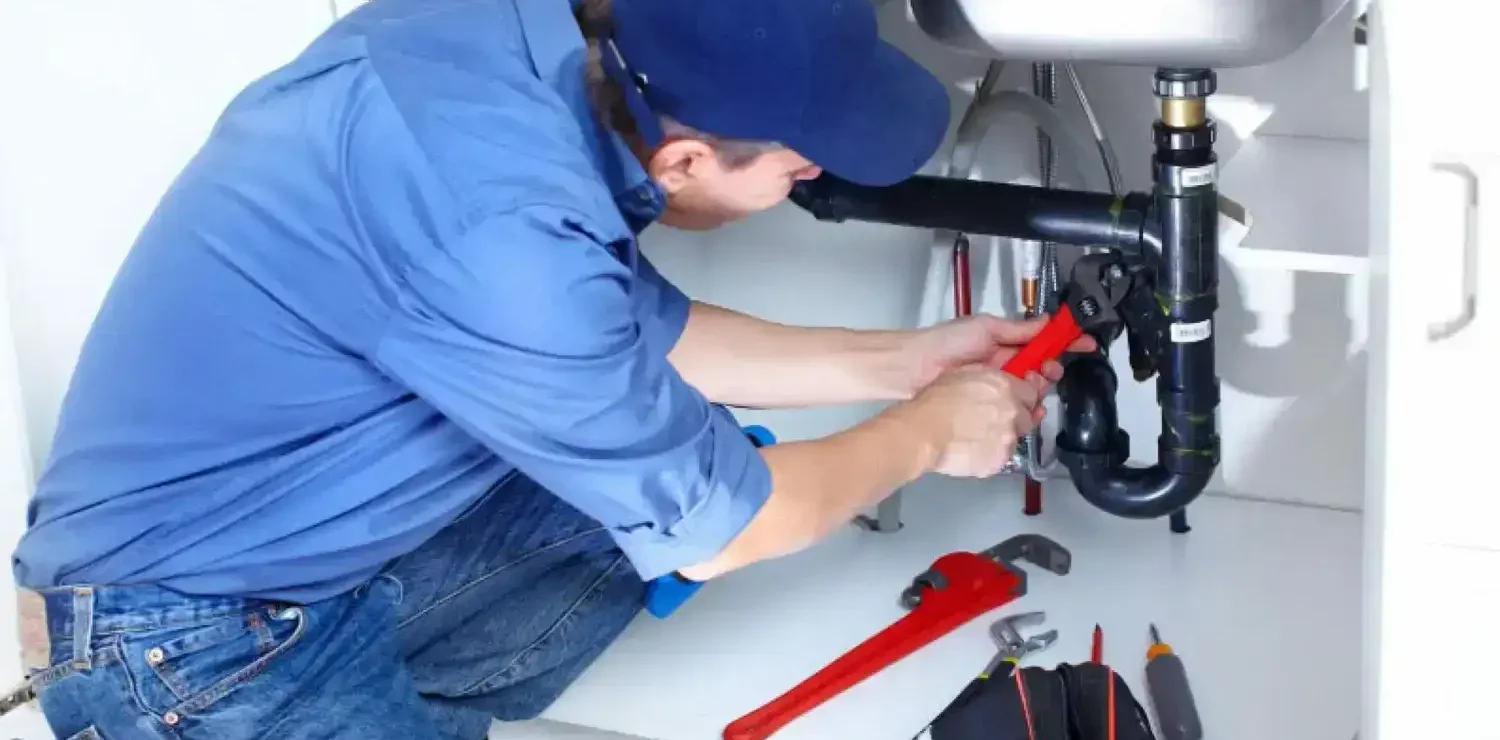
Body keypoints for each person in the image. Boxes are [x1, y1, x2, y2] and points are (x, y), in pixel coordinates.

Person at [11, 0, 1093, 738]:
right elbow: (731, 530)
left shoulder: (523, 44)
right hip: (188, 640)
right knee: (698, 496)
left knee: (640, 493)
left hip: (285, 544)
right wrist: (929, 436)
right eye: (796, 170)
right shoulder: (507, 236)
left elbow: (634, 341)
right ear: (683, 158)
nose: (808, 184)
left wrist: (906, 365)